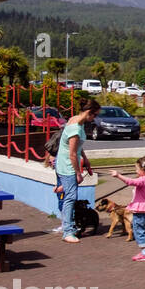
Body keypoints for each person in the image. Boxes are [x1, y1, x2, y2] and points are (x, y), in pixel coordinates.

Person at [54, 99, 100, 243]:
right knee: (70, 198)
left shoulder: (74, 120)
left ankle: (62, 188)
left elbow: (77, 147)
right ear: (89, 113)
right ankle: (67, 232)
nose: (95, 119)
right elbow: (72, 153)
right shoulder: (75, 128)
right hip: (67, 167)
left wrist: (85, 159)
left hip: (62, 164)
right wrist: (78, 173)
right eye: (94, 115)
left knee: (68, 193)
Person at [112, 156, 145, 261]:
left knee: (138, 231)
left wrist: (118, 175)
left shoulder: (143, 180)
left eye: (137, 169)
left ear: (144, 169)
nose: (135, 171)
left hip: (140, 210)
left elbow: (131, 182)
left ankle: (144, 253)